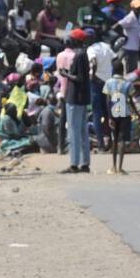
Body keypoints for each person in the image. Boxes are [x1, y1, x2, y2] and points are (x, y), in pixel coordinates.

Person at [60, 29, 91, 174]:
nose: (69, 41)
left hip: (74, 97)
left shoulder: (78, 55)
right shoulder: (83, 54)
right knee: (83, 131)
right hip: (83, 98)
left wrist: (65, 73)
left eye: (71, 39)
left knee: (74, 131)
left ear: (77, 40)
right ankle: (85, 163)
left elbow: (79, 78)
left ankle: (74, 164)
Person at [103, 58, 135, 174]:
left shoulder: (108, 83)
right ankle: (120, 168)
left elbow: (107, 101)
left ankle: (113, 167)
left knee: (114, 140)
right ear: (122, 70)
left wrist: (109, 117)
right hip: (124, 113)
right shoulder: (127, 84)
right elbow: (130, 100)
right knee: (122, 140)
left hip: (113, 113)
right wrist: (136, 113)